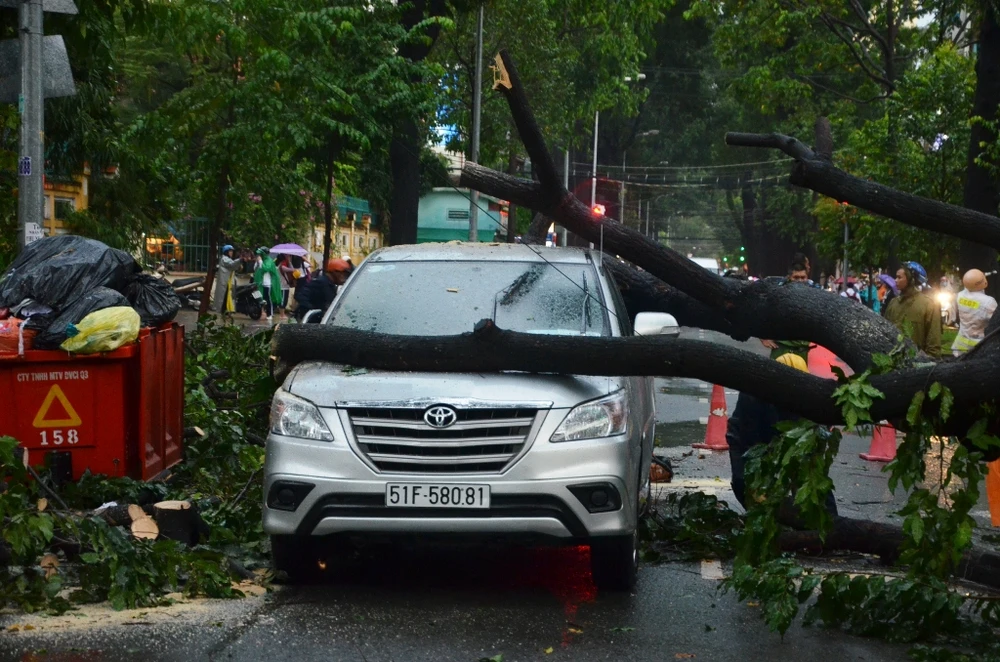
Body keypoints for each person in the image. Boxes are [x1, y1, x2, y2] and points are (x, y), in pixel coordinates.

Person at [726, 352, 838, 516]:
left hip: (792, 439)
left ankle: (831, 528)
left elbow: (822, 424)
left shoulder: (810, 394)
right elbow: (751, 441)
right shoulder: (753, 396)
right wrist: (757, 486)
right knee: (744, 482)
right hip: (747, 439)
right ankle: (761, 521)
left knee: (814, 484)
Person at [884, 260, 941, 356]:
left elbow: (933, 344)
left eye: (899, 277)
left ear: (912, 280)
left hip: (916, 364)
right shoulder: (893, 303)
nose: (895, 280)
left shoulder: (928, 305)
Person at [760, 262, 812, 362]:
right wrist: (762, 337)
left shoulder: (812, 296)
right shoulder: (779, 295)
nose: (800, 281)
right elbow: (760, 312)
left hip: (803, 352)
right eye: (796, 277)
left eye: (803, 277)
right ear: (789, 277)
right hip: (782, 350)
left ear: (807, 278)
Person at [951, 268, 998, 356]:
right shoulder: (988, 302)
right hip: (977, 346)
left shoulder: (960, 296)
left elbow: (970, 283)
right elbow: (995, 323)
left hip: (960, 344)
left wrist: (976, 277)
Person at [253, 247, 283, 322]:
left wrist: (260, 261)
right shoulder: (260, 260)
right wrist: (258, 261)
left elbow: (265, 268)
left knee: (268, 299)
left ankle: (270, 314)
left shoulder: (269, 261)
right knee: (260, 298)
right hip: (260, 284)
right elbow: (255, 269)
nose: (258, 255)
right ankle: (261, 312)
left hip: (267, 284)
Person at [213, 244, 240, 315]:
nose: (231, 253)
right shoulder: (224, 259)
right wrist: (241, 259)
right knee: (224, 297)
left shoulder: (227, 259)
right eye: (230, 251)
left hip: (227, 282)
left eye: (232, 251)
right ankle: (224, 311)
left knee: (227, 296)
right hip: (224, 282)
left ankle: (226, 310)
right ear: (226, 252)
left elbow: (234, 266)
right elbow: (232, 264)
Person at [276, 254, 295, 321]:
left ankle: (282, 314)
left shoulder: (283, 265)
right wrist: (290, 263)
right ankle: (282, 314)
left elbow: (291, 268)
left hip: (285, 286)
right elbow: (291, 269)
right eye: (288, 256)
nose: (289, 257)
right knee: (283, 300)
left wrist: (289, 262)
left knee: (285, 300)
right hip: (283, 286)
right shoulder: (282, 266)